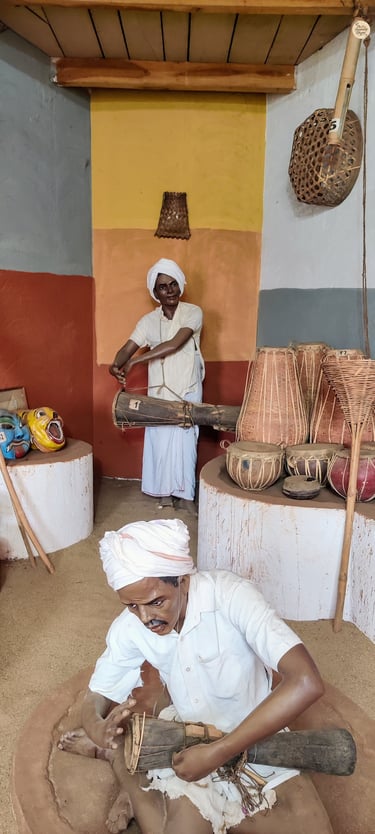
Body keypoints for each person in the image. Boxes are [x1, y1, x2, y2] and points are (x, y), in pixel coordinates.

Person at [59, 518, 334, 834]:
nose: (146, 618)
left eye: (156, 602)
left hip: (257, 735)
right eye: (133, 606)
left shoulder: (232, 596)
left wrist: (219, 751)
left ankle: (131, 775)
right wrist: (95, 724)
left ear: (182, 580)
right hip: (187, 741)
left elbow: (306, 681)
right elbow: (98, 692)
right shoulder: (130, 625)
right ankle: (121, 761)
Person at [109, 259, 204, 511]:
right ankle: (164, 493)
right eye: (163, 287)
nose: (170, 290)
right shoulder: (148, 321)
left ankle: (186, 496)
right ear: (155, 293)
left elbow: (175, 343)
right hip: (159, 392)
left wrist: (137, 361)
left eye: (173, 284)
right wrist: (116, 364)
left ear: (180, 285)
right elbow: (127, 347)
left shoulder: (193, 312)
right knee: (160, 441)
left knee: (186, 442)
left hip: (187, 387)